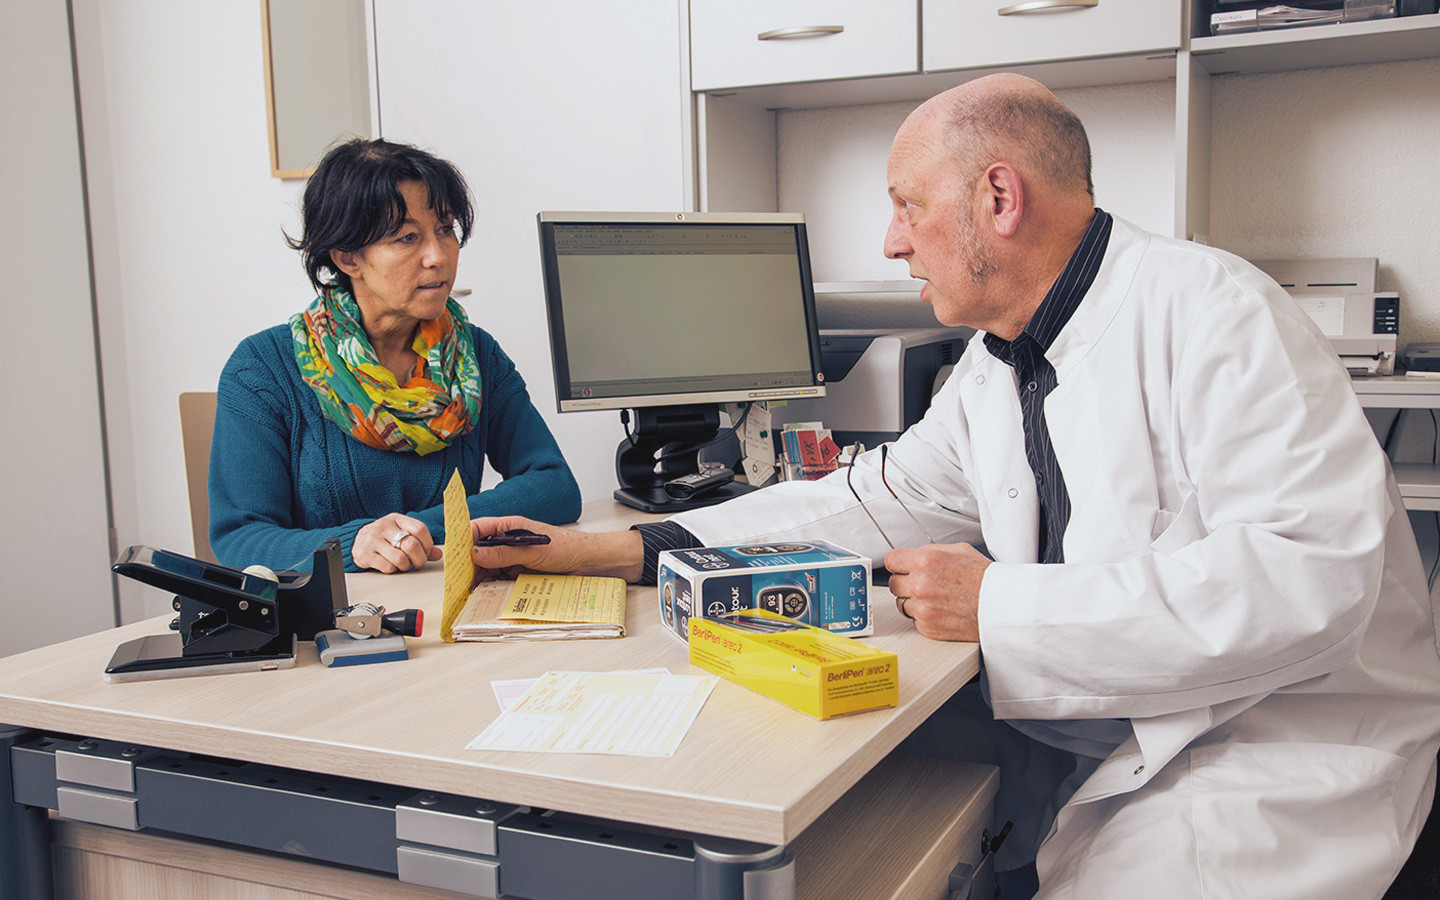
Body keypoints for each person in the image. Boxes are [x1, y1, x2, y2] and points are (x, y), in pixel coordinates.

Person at [466, 74, 1440, 898]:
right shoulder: (997, 364)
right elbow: (867, 499)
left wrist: (997, 603)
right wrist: (615, 549)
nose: (892, 242)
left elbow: (1312, 578)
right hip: (1122, 729)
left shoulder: (1213, 313)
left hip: (1272, 751)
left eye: (907, 206)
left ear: (999, 199)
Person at [209, 138, 580, 574]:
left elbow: (555, 486)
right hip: (337, 621)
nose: (438, 257)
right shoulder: (262, 369)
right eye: (407, 238)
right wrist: (358, 544)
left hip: (455, 601)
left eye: (446, 230)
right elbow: (240, 537)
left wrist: (419, 530)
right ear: (348, 257)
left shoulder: (472, 356)